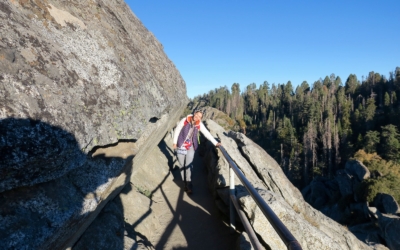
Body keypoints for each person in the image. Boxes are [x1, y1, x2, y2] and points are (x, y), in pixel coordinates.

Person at [173, 110, 221, 194]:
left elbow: (207, 134)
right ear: (194, 113)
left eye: (199, 117)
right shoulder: (185, 120)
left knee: (188, 164)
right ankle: (184, 183)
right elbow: (177, 130)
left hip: (190, 146)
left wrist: (215, 143)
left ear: (200, 118)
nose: (197, 117)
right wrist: (174, 142)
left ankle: (189, 185)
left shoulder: (199, 124)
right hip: (181, 145)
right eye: (197, 115)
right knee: (181, 165)